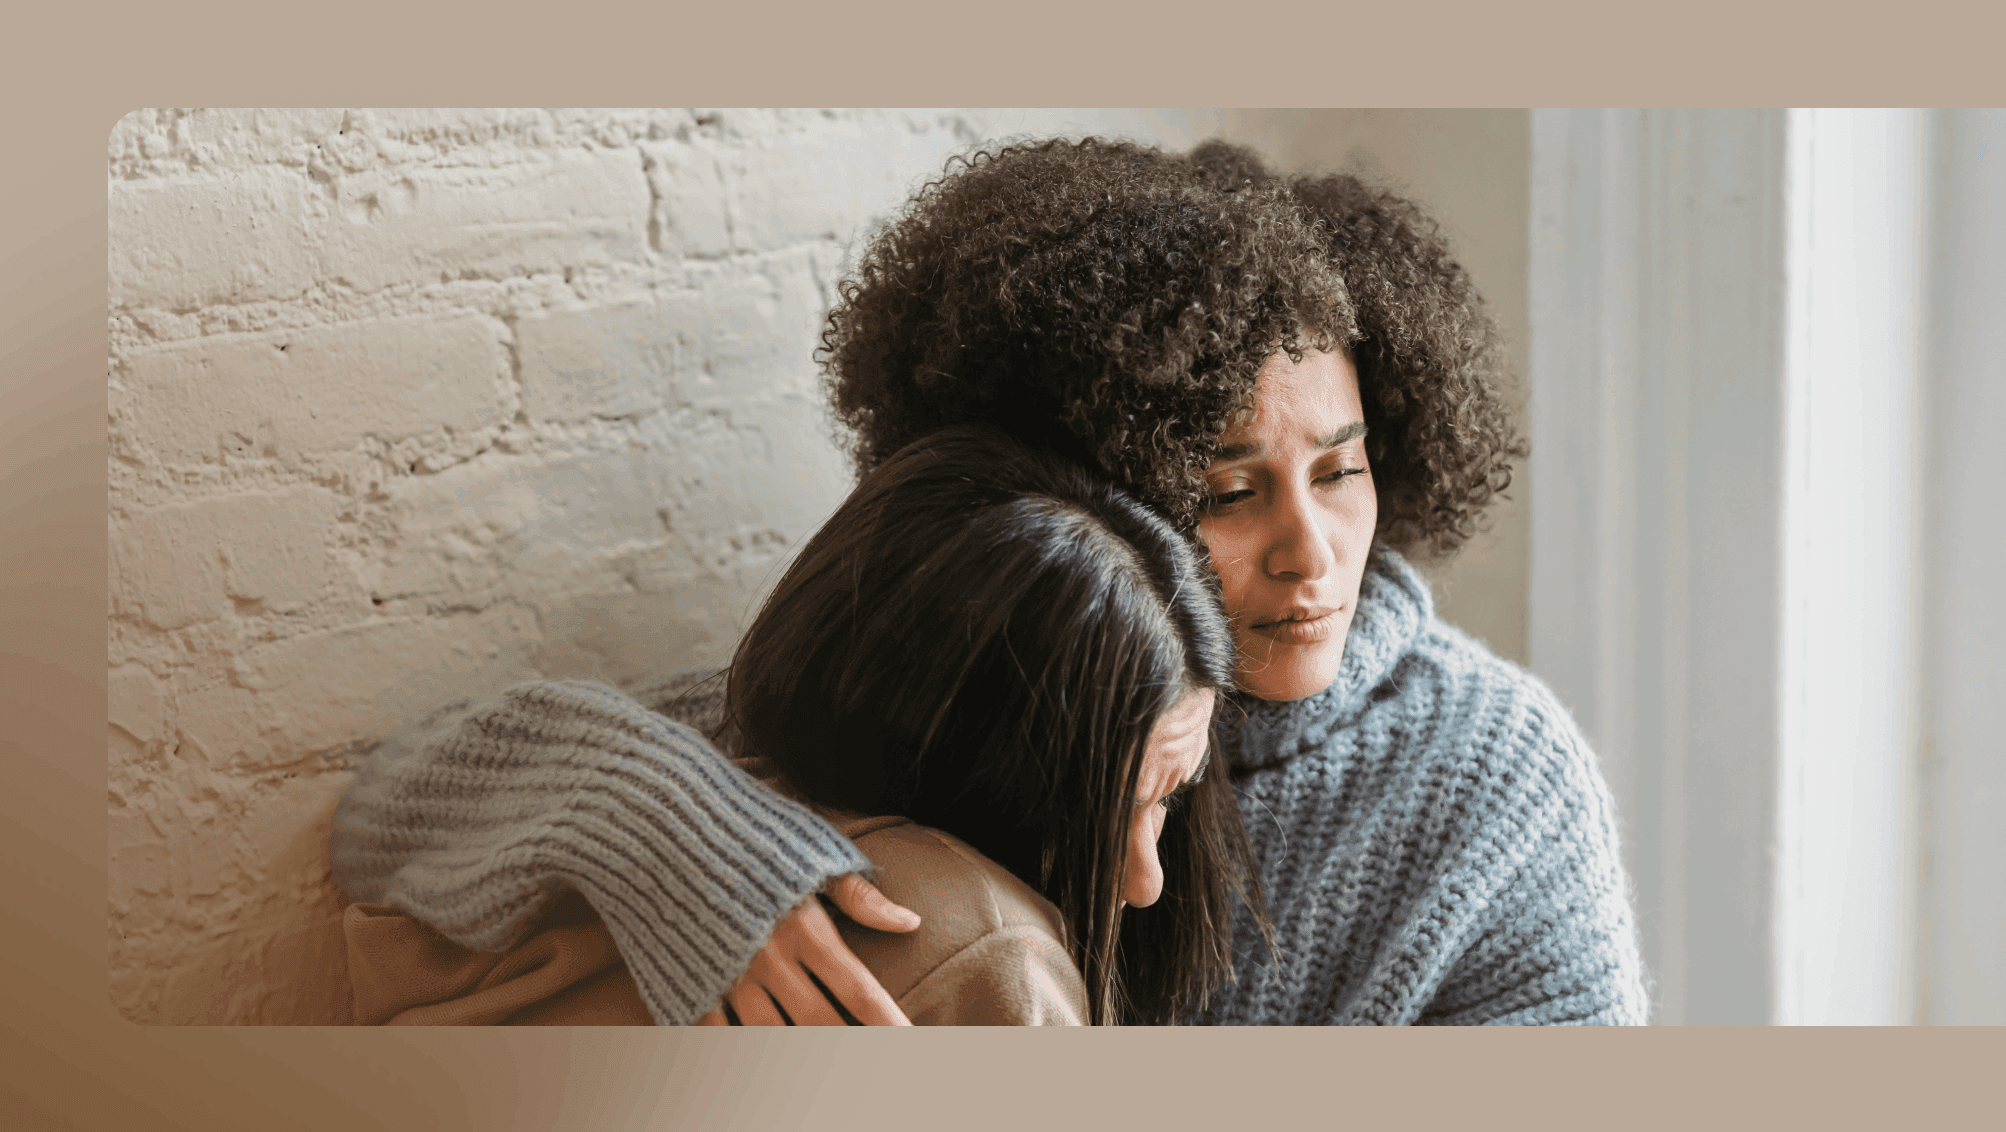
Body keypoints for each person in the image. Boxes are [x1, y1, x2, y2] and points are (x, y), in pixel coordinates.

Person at [331, 136, 1650, 1026]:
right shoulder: (998, 675)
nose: (1313, 554)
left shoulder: (1493, 779)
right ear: (1090, 500)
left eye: (1344, 474)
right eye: (1229, 493)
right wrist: (693, 851)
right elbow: (396, 804)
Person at [333, 424, 1263, 1025]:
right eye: (1115, 807)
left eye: (1170, 802)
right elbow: (379, 807)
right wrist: (682, 830)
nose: (1146, 883)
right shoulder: (985, 952)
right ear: (974, 756)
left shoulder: (791, 736)